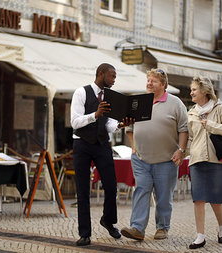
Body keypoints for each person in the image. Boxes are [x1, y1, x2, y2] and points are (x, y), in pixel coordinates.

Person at [121, 68, 188, 241]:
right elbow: (129, 128)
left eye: (154, 81)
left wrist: (180, 151)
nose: (149, 83)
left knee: (163, 196)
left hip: (166, 160)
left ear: (164, 85)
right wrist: (134, 147)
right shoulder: (138, 102)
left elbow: (183, 129)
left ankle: (162, 228)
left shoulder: (175, 103)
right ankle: (137, 228)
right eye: (148, 80)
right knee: (141, 190)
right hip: (141, 159)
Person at [70, 63, 133, 246]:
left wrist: (120, 125)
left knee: (111, 186)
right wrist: (95, 115)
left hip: (102, 144)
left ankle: (108, 220)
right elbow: (74, 122)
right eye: (112, 76)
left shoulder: (110, 97)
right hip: (81, 144)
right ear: (101, 73)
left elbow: (109, 124)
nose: (114, 80)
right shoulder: (81, 93)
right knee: (83, 190)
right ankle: (85, 233)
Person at [187, 76, 222, 249]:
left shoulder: (221, 109)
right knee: (198, 198)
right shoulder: (191, 112)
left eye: (194, 89)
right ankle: (200, 236)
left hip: (217, 159)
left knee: (215, 199)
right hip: (197, 159)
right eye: (191, 89)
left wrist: (211, 125)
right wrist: (184, 153)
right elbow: (191, 138)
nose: (191, 92)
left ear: (204, 91)